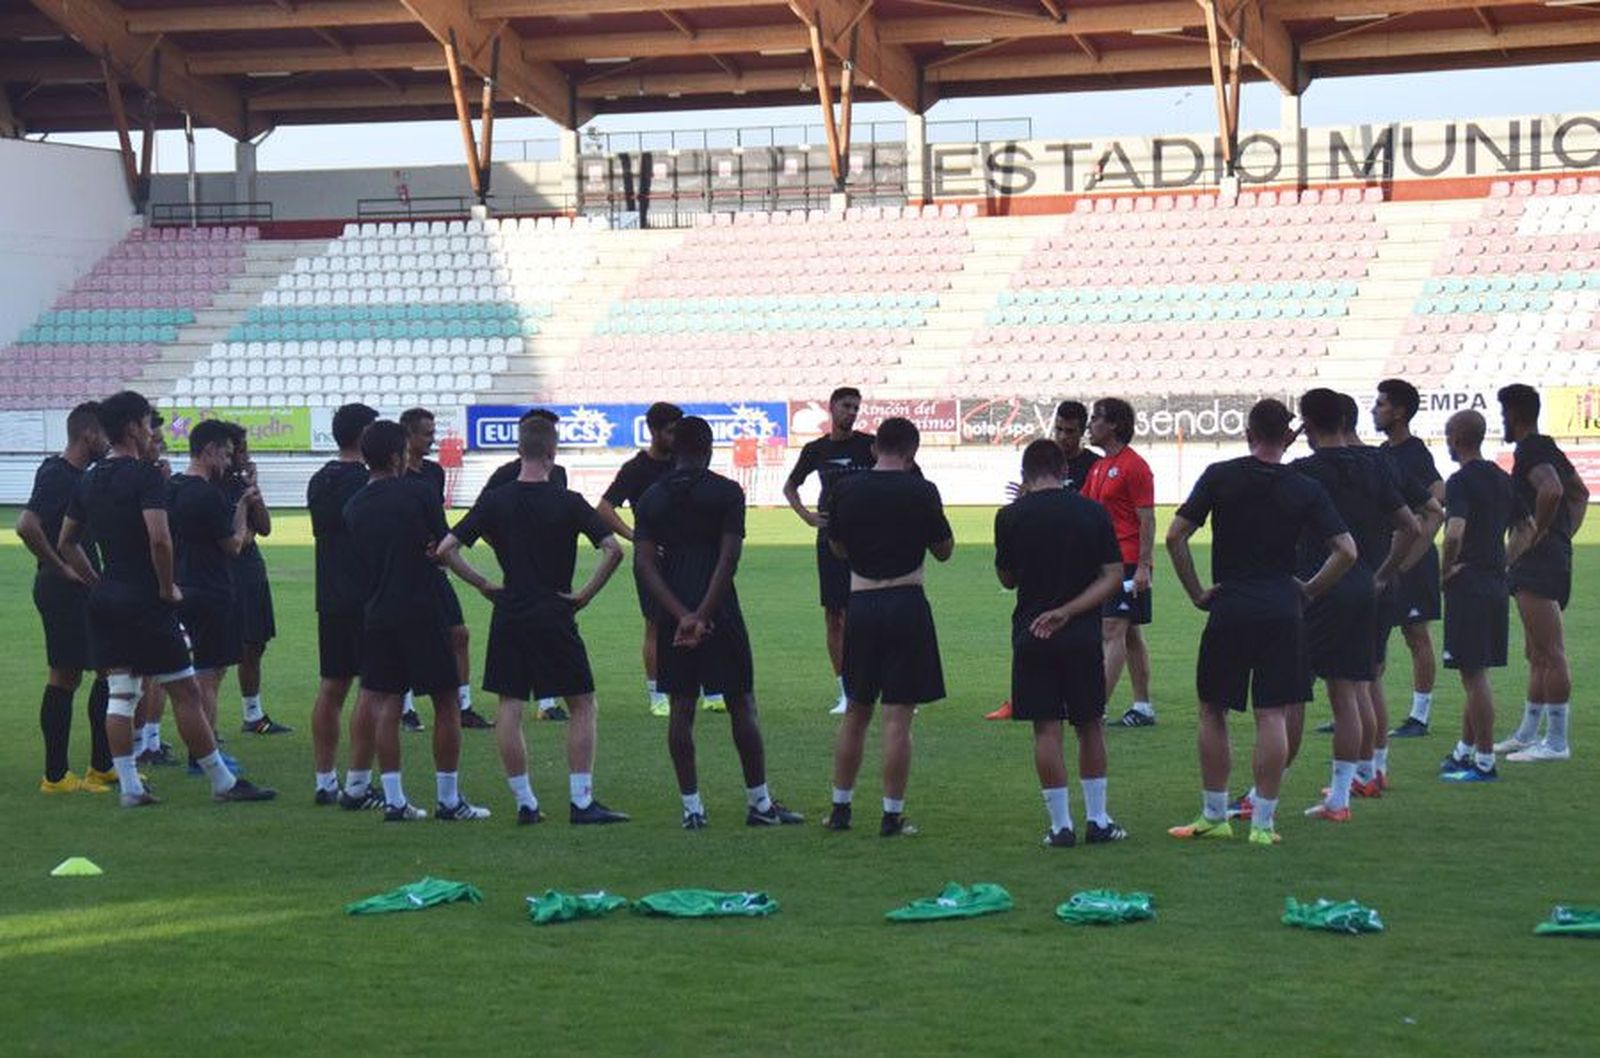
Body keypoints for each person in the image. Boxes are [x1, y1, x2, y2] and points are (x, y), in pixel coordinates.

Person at [56, 391, 274, 807]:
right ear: (132, 427)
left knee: (122, 692)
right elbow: (160, 538)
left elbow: (67, 541)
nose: (151, 430)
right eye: (146, 423)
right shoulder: (145, 477)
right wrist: (166, 586)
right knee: (186, 691)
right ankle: (222, 782)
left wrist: (96, 581)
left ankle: (131, 788)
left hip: (107, 598)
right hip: (145, 599)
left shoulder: (89, 478)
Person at [1166, 399, 1355, 846]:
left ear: (1248, 431)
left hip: (1231, 604)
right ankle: (1264, 823)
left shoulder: (1221, 475)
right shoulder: (1304, 487)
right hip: (1282, 608)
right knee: (1272, 714)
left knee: (1214, 709)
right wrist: (1307, 590)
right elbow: (1347, 551)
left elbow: (1175, 535)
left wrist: (1196, 591)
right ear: (1287, 435)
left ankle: (1215, 813)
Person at [437, 414, 630, 826]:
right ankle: (581, 802)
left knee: (510, 705)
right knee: (581, 703)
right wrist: (583, 596)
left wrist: (484, 585)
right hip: (554, 610)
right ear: (552, 453)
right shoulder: (569, 501)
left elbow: (447, 548)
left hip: (510, 610)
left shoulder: (495, 500)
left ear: (519, 451)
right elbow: (613, 550)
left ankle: (525, 802)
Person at [634, 416, 804, 830]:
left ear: (675, 450)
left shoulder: (652, 497)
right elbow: (728, 559)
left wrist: (680, 616)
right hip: (720, 612)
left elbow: (644, 565)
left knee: (681, 708)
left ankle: (693, 809)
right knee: (740, 703)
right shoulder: (726, 492)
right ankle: (759, 804)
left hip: (674, 614)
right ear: (709, 449)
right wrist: (704, 615)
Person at [344, 419, 499, 822]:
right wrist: (481, 582)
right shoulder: (419, 493)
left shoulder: (354, 505)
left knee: (388, 703)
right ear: (398, 455)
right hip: (422, 607)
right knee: (447, 701)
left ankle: (396, 801)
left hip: (377, 613)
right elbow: (443, 549)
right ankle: (448, 799)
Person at [822, 417, 954, 837]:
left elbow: (838, 547)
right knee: (898, 716)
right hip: (906, 600)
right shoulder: (922, 490)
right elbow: (944, 550)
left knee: (857, 712)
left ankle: (840, 808)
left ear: (875, 448)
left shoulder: (846, 489)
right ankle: (891, 814)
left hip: (861, 603)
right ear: (912, 451)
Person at [1291, 390, 1418, 823]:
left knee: (1304, 694)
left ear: (1307, 423)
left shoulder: (1304, 472)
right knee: (1356, 687)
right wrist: (1382, 572)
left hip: (1320, 587)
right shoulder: (1373, 465)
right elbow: (1413, 524)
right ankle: (1351, 786)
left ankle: (1286, 792)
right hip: (1363, 586)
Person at [995, 439, 1126, 847]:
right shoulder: (1092, 512)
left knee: (1045, 729)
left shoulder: (1010, 516)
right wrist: (1070, 611)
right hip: (1081, 634)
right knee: (1089, 725)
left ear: (1025, 474)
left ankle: (1060, 826)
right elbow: (1111, 577)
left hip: (1032, 632)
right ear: (1065, 470)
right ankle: (1099, 820)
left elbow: (1007, 578)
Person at [17, 402, 114, 794]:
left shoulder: (79, 476)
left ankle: (100, 766)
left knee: (104, 670)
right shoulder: (58, 474)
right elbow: (26, 524)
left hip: (79, 588)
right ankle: (56, 776)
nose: (107, 442)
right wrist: (61, 567)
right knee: (66, 675)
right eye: (104, 435)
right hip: (62, 590)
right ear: (88, 435)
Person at [987, 399, 1100, 721]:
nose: (1064, 437)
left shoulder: (1094, 467)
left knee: (1122, 633)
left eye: (1071, 431)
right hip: (1064, 587)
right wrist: (1026, 501)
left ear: (1083, 432)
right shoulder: (1044, 465)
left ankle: (1134, 700)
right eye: (1059, 430)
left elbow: (1006, 578)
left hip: (1080, 578)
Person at [1496, 384, 1588, 762]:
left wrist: (1538, 532)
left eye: (1504, 413)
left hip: (1537, 562)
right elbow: (1579, 493)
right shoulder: (1546, 446)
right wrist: (1563, 536)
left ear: (1514, 415)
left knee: (1549, 652)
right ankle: (1528, 733)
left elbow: (1551, 491)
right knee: (1536, 652)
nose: (1502, 420)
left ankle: (1556, 743)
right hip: (1549, 556)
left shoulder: (1532, 449)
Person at [166, 420, 256, 776]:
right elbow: (233, 545)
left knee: (188, 676)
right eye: (226, 454)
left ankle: (198, 751)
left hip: (180, 584)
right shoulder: (206, 494)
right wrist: (244, 506)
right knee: (209, 675)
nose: (228, 462)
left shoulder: (172, 486)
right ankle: (205, 753)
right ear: (209, 451)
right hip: (211, 589)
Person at [1438, 411, 1523, 783]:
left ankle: (1485, 761)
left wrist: (1445, 570)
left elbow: (1454, 531)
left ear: (1456, 438)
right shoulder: (1503, 479)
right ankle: (1466, 750)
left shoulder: (1459, 481)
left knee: (1474, 676)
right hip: (1494, 583)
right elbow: (1528, 527)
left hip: (1468, 583)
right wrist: (1503, 562)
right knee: (1474, 671)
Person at [783, 386, 876, 715]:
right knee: (835, 615)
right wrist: (808, 516)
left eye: (856, 407)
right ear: (832, 408)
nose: (852, 412)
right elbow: (790, 485)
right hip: (831, 540)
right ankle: (846, 691)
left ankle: (884, 685)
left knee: (871, 612)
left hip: (869, 539)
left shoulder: (870, 446)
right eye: (846, 406)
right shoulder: (815, 450)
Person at [306, 402, 381, 807]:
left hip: (331, 595)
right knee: (372, 690)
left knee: (332, 687)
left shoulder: (319, 480)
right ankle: (357, 782)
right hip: (368, 596)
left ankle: (324, 780)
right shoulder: (368, 483)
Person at [475, 406, 572, 721]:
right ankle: (546, 701)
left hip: (551, 567)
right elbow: (480, 518)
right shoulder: (504, 476)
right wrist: (504, 546)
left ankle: (548, 701)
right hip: (521, 567)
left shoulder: (559, 474)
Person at [400, 407, 489, 731]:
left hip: (434, 566)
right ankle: (405, 707)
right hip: (404, 570)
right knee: (406, 640)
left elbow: (437, 523)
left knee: (459, 634)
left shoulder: (434, 473)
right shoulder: (396, 476)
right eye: (426, 433)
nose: (432, 439)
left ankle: (463, 706)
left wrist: (440, 546)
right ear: (407, 436)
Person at [596, 401, 684, 718]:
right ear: (654, 431)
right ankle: (657, 694)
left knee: (696, 616)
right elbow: (604, 507)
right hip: (652, 560)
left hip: (686, 555)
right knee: (656, 625)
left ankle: (704, 689)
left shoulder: (682, 462)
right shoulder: (636, 469)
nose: (677, 437)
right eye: (671, 431)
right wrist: (636, 536)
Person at [1373, 379, 1447, 738]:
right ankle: (1362, 708)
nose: (1376, 409)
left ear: (1400, 412)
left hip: (1412, 560)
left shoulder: (1415, 453)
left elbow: (1437, 493)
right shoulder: (1384, 453)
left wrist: (1409, 558)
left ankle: (1419, 716)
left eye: (1381, 404)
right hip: (1387, 556)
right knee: (1374, 633)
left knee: (1416, 635)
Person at [1083, 397, 1158, 728]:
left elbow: (1147, 518)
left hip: (1127, 561)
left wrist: (1144, 566)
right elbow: (1082, 507)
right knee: (1130, 634)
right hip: (1107, 561)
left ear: (1113, 424)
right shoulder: (1099, 466)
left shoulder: (1134, 466)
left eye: (1096, 419)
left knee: (1112, 628)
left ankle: (1093, 708)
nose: (1090, 425)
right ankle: (1142, 706)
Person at [219, 424, 286, 736]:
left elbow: (265, 527)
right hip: (223, 572)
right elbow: (241, 539)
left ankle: (253, 714)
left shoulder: (239, 484)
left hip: (250, 571)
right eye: (240, 449)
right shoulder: (212, 488)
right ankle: (207, 724)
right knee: (216, 653)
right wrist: (244, 506)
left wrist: (254, 491)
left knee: (254, 643)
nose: (245, 455)